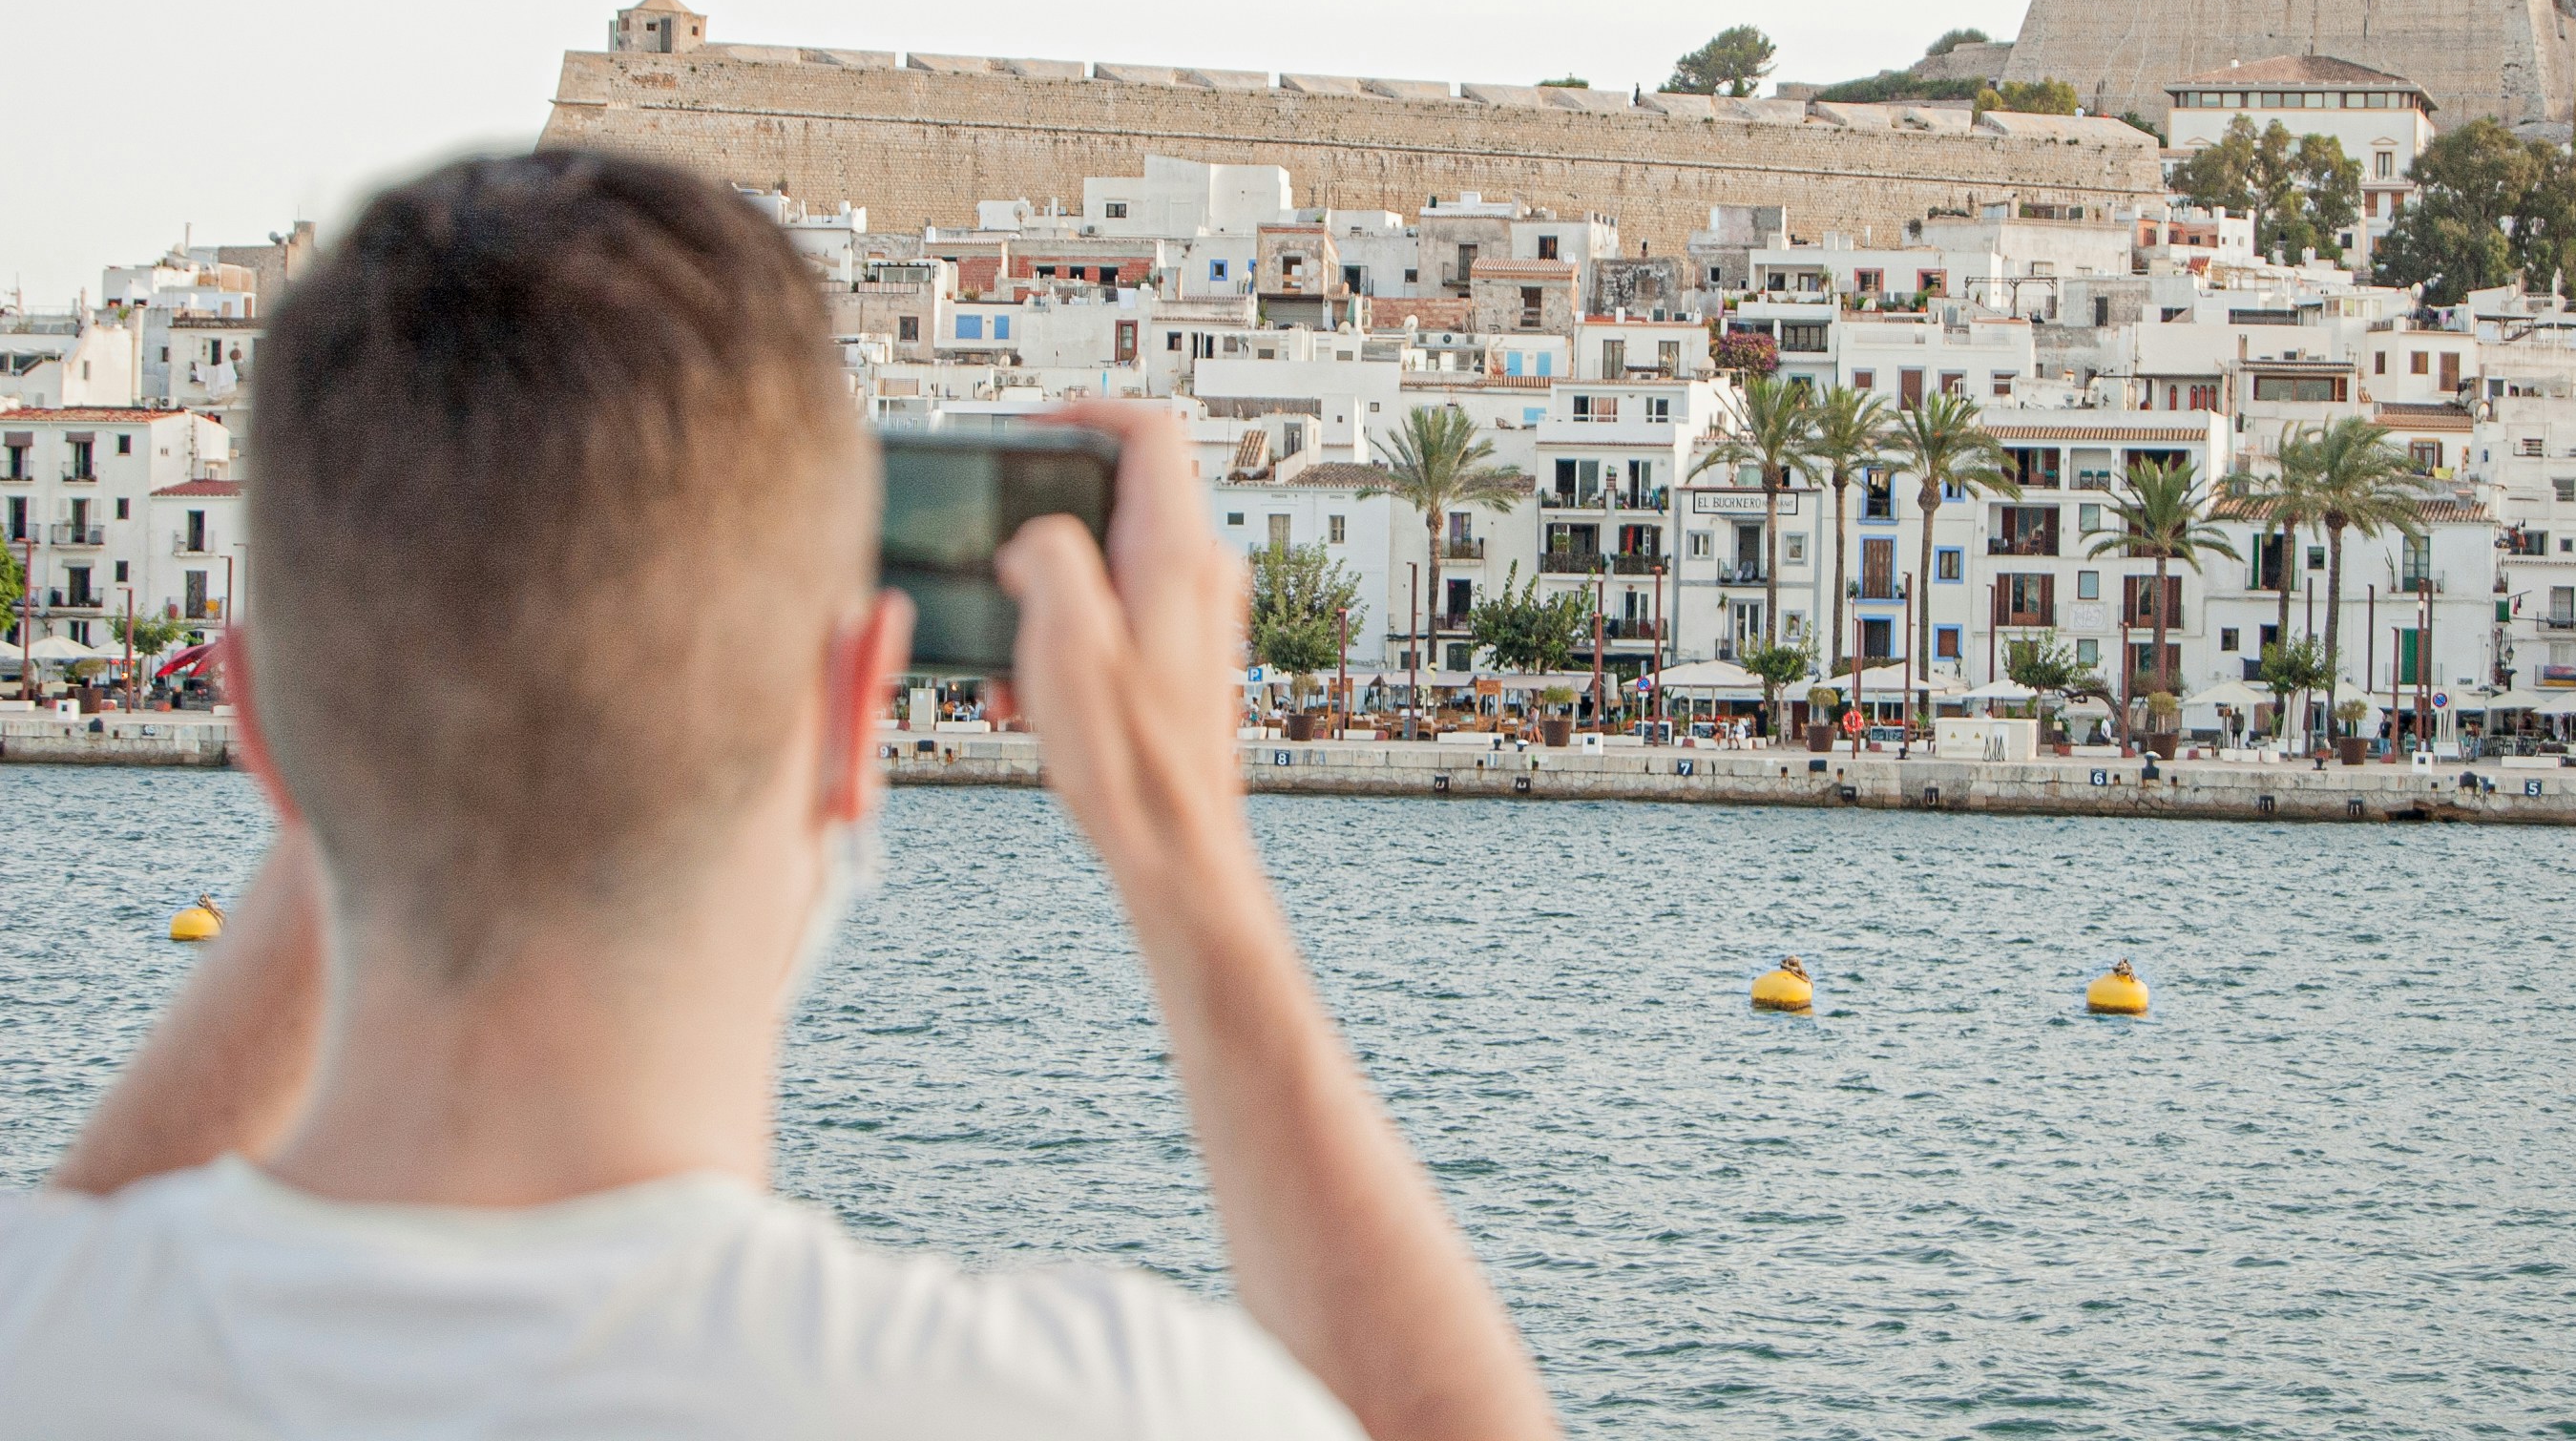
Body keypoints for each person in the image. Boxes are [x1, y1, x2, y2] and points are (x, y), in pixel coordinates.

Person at [0, 153, 1557, 1440]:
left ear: (256, 721)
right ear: (855, 709)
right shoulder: (1103, 1407)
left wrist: (395, 693)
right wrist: (1185, 849)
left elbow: (86, 1268)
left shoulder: (44, 1339)